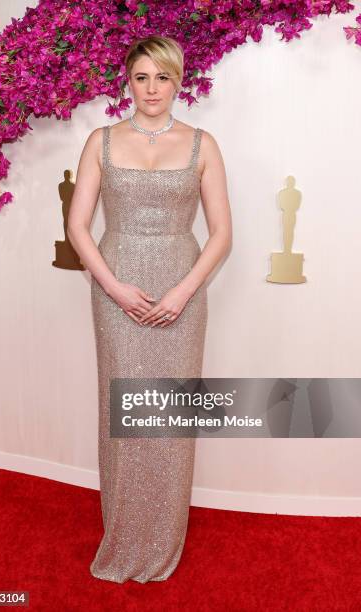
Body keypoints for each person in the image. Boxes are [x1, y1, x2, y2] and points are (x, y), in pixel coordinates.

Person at [67, 34, 232, 584]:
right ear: (128, 82)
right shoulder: (102, 141)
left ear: (177, 79)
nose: (152, 88)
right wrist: (113, 287)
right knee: (123, 412)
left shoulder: (202, 144)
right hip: (117, 290)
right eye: (142, 77)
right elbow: (77, 225)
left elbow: (222, 234)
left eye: (162, 76)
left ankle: (164, 538)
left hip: (181, 291)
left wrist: (184, 291)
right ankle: (123, 533)